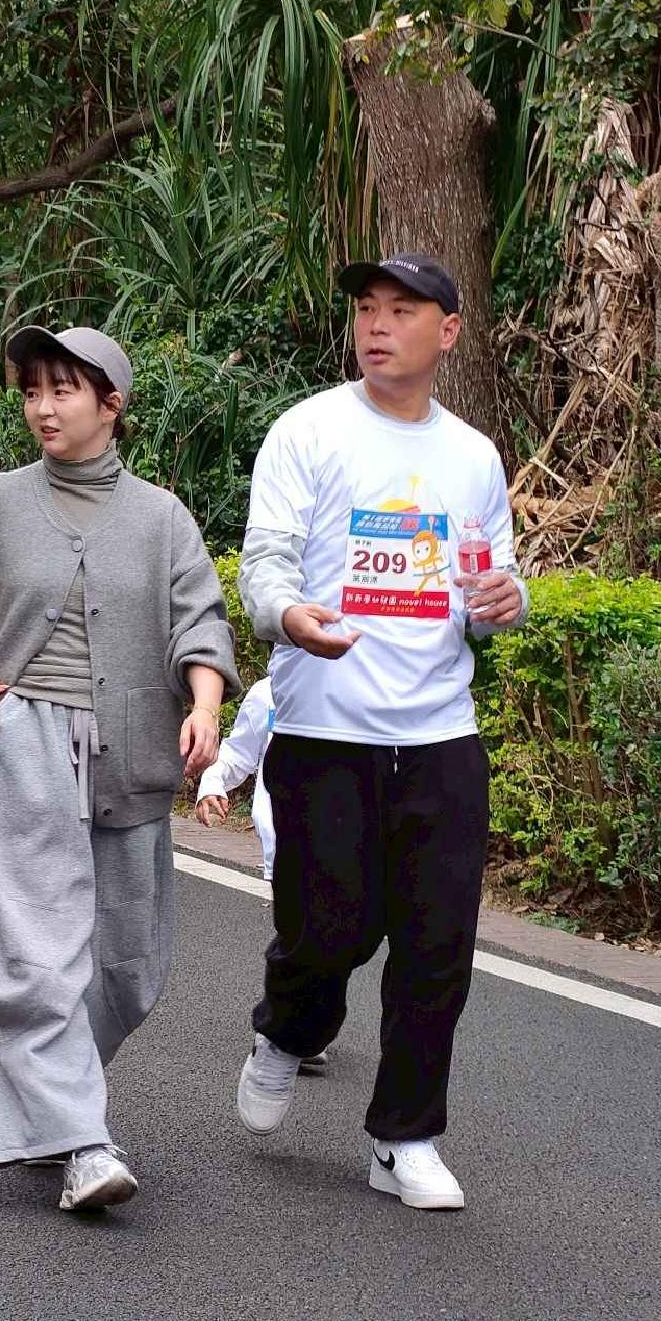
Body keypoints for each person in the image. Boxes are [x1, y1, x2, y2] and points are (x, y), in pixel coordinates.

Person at [0, 325, 239, 1214]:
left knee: (129, 963)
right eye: (33, 391)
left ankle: (48, 1106)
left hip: (134, 749)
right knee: (38, 956)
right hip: (20, 737)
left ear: (110, 404)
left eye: (63, 391)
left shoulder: (162, 517)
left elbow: (200, 624)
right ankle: (83, 1141)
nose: (42, 407)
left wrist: (203, 707)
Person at [235, 253, 528, 1211]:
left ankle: (404, 1136)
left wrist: (502, 600)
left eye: (403, 310)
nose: (378, 324)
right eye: (367, 307)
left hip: (440, 734)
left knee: (439, 944)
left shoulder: (474, 456)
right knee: (330, 929)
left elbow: (485, 588)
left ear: (447, 332)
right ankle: (287, 1029)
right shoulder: (308, 431)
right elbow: (264, 563)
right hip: (323, 728)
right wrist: (289, 619)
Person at [195, 673, 327, 1077]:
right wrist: (212, 782)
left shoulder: (358, 685)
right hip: (283, 836)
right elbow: (239, 754)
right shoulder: (267, 693)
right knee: (299, 931)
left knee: (336, 936)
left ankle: (301, 1023)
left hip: (345, 834)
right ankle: (284, 1030)